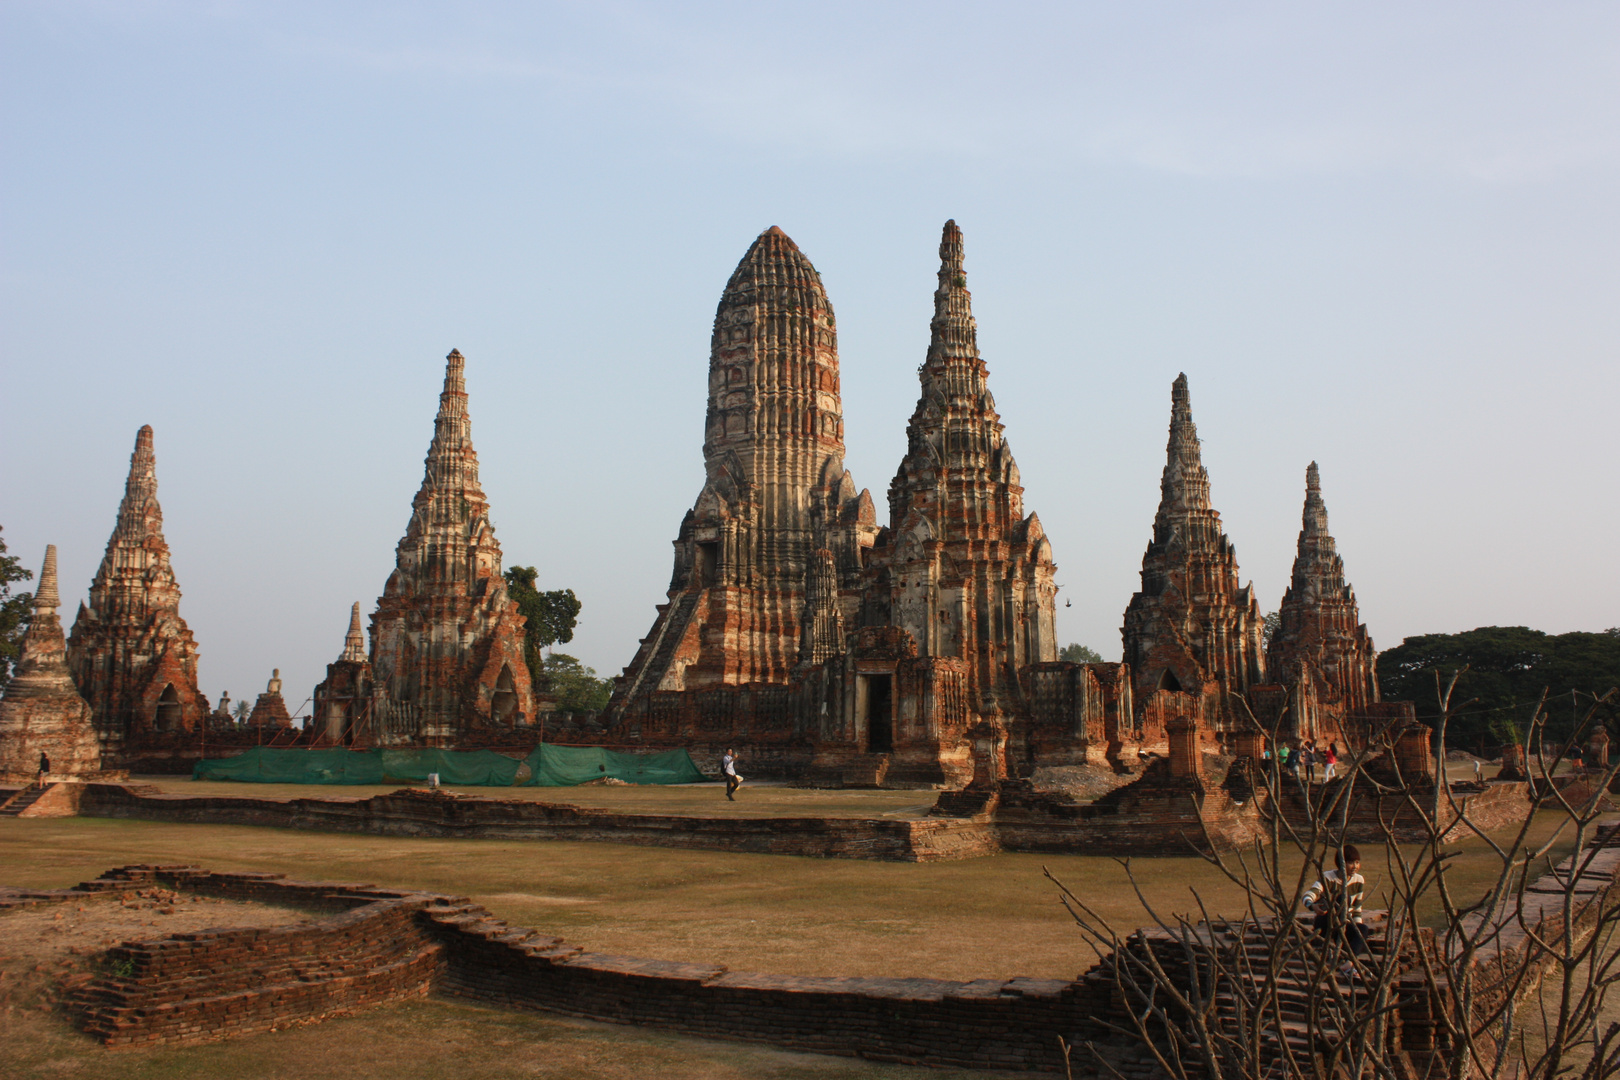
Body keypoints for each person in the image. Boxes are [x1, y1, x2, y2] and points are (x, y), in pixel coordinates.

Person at [1303, 845, 1370, 976]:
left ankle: (1349, 962)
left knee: (1363, 929)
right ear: (1341, 863)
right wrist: (1312, 906)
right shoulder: (1328, 878)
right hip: (1326, 923)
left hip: (1344, 924)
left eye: (1357, 862)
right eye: (1350, 862)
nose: (1355, 866)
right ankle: (1338, 952)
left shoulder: (1359, 880)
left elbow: (1356, 909)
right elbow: (1308, 895)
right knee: (1342, 898)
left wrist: (1356, 928)